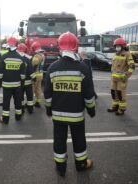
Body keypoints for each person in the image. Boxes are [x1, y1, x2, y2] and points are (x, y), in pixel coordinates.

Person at [44, 32, 95, 177]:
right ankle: (81, 164)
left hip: (58, 115)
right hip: (77, 116)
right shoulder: (83, 68)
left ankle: (61, 168)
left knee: (59, 140)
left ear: (60, 48)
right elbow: (89, 93)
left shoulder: (52, 68)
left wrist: (48, 109)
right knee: (79, 140)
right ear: (76, 47)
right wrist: (91, 109)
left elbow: (47, 93)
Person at [0, 37, 26, 124]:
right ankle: (18, 116)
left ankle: (5, 119)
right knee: (18, 101)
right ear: (16, 46)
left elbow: (0, 72)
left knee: (6, 102)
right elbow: (23, 74)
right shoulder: (20, 58)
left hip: (6, 85)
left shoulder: (4, 57)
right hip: (17, 85)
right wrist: (21, 83)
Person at [107, 38, 135, 116]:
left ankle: (121, 109)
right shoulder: (115, 54)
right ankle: (115, 106)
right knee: (114, 93)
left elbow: (132, 66)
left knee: (120, 94)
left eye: (119, 45)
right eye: (116, 46)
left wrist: (126, 76)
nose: (117, 47)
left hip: (122, 79)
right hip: (114, 79)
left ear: (123, 46)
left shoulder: (127, 54)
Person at [17, 43, 36, 114]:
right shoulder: (28, 58)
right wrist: (34, 78)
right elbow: (31, 70)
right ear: (25, 49)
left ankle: (21, 108)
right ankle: (30, 109)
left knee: (20, 96)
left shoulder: (16, 57)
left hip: (19, 82)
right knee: (29, 96)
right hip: (28, 82)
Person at [31, 42, 45, 108]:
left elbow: (34, 64)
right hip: (41, 75)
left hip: (35, 75)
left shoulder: (37, 56)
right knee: (38, 89)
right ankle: (38, 102)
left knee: (32, 89)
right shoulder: (42, 55)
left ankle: (29, 103)